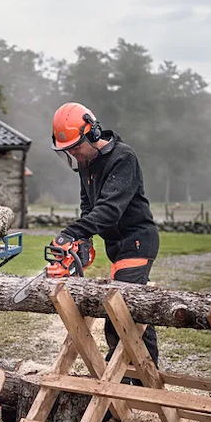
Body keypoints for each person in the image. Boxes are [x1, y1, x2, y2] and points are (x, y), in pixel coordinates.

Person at [49, 101, 160, 371]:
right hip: (116, 244)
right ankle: (139, 371)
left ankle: (128, 371)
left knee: (121, 308)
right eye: (68, 150)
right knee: (131, 306)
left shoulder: (123, 158)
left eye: (76, 146)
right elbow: (89, 207)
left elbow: (109, 211)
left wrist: (71, 233)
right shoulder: (86, 163)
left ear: (93, 134)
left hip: (136, 241)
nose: (74, 154)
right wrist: (82, 241)